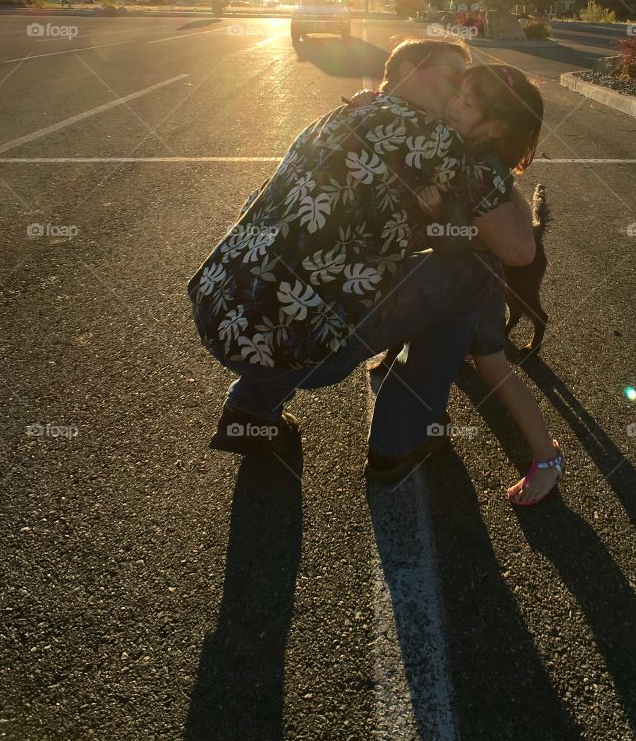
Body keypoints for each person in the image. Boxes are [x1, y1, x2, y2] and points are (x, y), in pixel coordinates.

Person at [187, 37, 537, 482]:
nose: (457, 96)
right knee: (474, 271)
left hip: (221, 309)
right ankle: (400, 440)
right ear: (408, 68)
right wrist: (492, 159)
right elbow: (520, 249)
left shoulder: (339, 115)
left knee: (300, 272)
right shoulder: (436, 139)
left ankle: (249, 413)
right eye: (452, 77)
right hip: (302, 346)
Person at [360, 63, 565, 506]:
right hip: (467, 277)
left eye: (468, 103)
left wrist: (434, 212)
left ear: (493, 127)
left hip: (478, 279)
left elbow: (469, 235)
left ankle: (546, 460)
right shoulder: (464, 148)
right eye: (458, 94)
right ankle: (539, 455)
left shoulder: (480, 166)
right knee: (490, 367)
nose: (454, 104)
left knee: (494, 369)